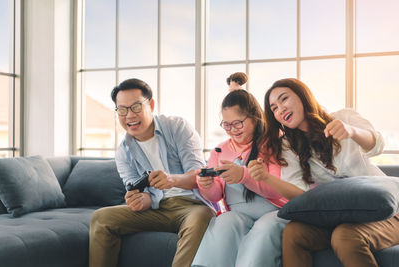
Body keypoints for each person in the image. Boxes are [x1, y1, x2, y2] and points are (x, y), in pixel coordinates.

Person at [248, 78, 399, 267]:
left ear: (303, 96)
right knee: (294, 233)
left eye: (284, 99)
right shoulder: (288, 146)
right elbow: (300, 194)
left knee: (345, 236)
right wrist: (266, 178)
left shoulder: (344, 117)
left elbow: (377, 146)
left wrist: (352, 131)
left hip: (387, 213)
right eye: (274, 108)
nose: (281, 109)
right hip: (339, 217)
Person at [89, 78, 215, 267]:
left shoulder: (178, 127)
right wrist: (141, 200)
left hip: (191, 206)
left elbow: (198, 175)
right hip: (157, 209)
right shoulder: (123, 152)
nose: (129, 115)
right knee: (101, 218)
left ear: (151, 105)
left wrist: (172, 179)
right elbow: (138, 191)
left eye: (136, 107)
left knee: (203, 216)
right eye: (122, 110)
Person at [192, 90, 288, 267]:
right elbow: (216, 196)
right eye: (226, 125)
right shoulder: (219, 151)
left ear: (254, 117)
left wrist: (244, 176)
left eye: (237, 123)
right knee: (223, 222)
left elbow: (277, 188)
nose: (232, 130)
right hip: (238, 214)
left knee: (264, 229)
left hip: (273, 211)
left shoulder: (275, 143)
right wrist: (206, 185)